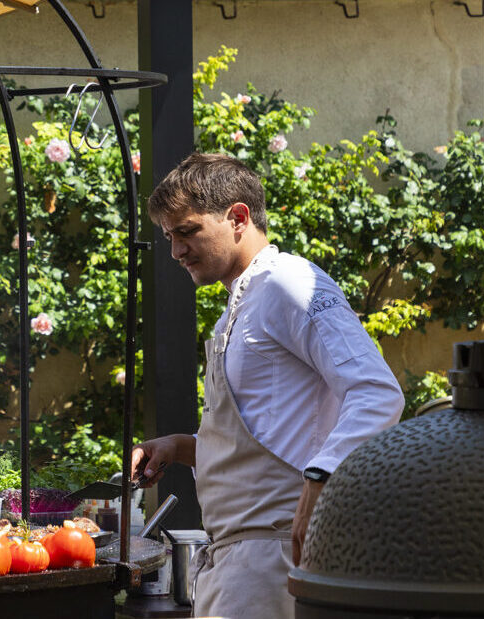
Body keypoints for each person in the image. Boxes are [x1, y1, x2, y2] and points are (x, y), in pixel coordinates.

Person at [132, 153, 403, 619]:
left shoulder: (288, 282)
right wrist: (178, 447)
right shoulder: (238, 307)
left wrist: (321, 478)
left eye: (187, 231)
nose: (176, 251)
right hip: (236, 563)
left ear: (238, 217)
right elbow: (275, 438)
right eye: (169, 236)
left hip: (274, 556)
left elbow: (377, 392)